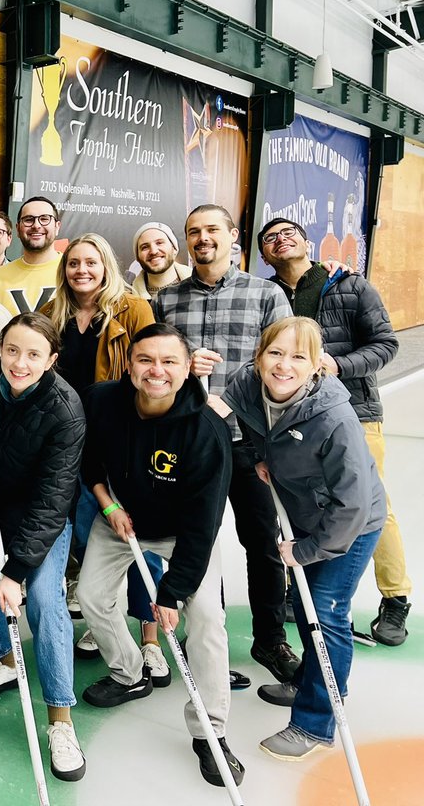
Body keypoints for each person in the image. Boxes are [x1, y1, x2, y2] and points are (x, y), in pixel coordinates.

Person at [77, 324, 243, 789]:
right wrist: (107, 503)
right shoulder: (103, 400)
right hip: (121, 517)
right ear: (129, 364)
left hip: (182, 534)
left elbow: (202, 527)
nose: (156, 371)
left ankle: (211, 729)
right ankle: (129, 671)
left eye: (169, 361)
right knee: (91, 597)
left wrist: (171, 595)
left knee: (207, 618)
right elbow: (88, 459)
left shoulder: (206, 432)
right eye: (145, 360)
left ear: (188, 368)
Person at [223, 316, 387, 759]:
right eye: (275, 352)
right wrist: (263, 456)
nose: (284, 365)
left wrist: (307, 550)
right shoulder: (246, 385)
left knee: (326, 614)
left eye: (299, 356)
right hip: (304, 511)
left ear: (318, 366)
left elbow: (352, 503)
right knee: (312, 608)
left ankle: (315, 724)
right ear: (259, 357)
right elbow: (254, 424)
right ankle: (316, 685)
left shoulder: (334, 417)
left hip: (350, 524)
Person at [152, 204, 300, 685]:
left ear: (233, 237)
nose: (202, 239)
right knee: (196, 543)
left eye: (212, 230)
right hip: (191, 446)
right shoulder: (167, 298)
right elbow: (156, 364)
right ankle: (205, 644)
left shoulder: (266, 294)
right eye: (193, 231)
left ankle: (270, 639)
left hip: (250, 443)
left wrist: (230, 401)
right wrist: (183, 366)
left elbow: (283, 363)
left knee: (262, 543)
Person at [258, 217, 408, 645]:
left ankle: (395, 598)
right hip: (293, 419)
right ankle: (300, 588)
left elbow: (386, 344)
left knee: (367, 504)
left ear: (306, 243)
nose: (280, 240)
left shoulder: (351, 286)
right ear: (264, 253)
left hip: (354, 412)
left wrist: (338, 365)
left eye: (289, 233)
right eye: (270, 238)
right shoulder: (271, 296)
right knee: (297, 503)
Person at [0, 313, 87, 782]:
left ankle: (60, 718)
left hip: (40, 515)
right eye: (12, 350)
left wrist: (15, 573)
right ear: (1, 348)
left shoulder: (66, 409)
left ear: (52, 360)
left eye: (34, 354)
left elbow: (54, 501)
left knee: (46, 605)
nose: (20, 362)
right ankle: (6, 661)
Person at [39, 233, 159, 659]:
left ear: (106, 265)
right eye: (74, 263)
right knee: (85, 530)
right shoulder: (52, 311)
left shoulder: (133, 308)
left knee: (132, 529)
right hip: (65, 434)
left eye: (91, 262)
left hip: (119, 433)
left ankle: (149, 636)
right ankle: (101, 616)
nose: (82, 270)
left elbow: (153, 365)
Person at [0, 196, 63, 313]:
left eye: (44, 219)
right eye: (28, 219)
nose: (36, 225)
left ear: (57, 227)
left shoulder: (72, 272)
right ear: (18, 229)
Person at [130, 221, 191, 300]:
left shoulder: (203, 285)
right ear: (137, 257)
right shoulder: (129, 300)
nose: (153, 251)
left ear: (174, 249)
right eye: (145, 247)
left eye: (159, 243)